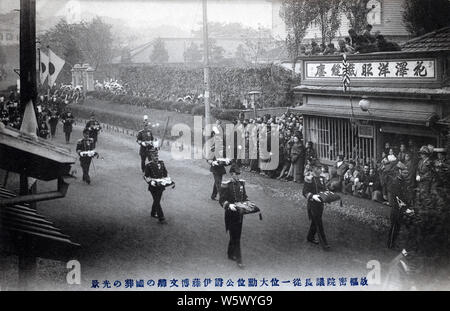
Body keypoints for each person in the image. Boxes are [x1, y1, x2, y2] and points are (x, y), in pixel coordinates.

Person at [219, 164, 248, 268]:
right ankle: (239, 260)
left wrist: (247, 203)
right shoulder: (227, 185)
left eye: (239, 174)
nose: (238, 176)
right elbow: (221, 200)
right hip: (230, 214)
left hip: (239, 214)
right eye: (236, 174)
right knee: (235, 237)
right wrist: (228, 205)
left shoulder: (241, 184)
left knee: (236, 235)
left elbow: (244, 197)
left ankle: (230, 254)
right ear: (232, 174)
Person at [302, 159, 330, 250]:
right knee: (319, 224)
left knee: (315, 221)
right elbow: (305, 192)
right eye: (318, 168)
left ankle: (310, 237)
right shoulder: (309, 178)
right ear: (313, 168)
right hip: (312, 204)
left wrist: (327, 196)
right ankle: (324, 243)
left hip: (320, 203)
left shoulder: (322, 178)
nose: (320, 170)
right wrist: (312, 196)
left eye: (320, 168)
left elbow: (324, 189)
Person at [387, 162, 411, 249]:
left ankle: (393, 243)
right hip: (396, 207)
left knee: (398, 226)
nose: (406, 175)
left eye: (407, 173)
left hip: (401, 207)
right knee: (393, 226)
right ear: (400, 171)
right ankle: (390, 243)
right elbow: (396, 196)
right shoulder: (395, 181)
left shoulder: (404, 182)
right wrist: (402, 204)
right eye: (404, 173)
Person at [144, 151, 169, 224]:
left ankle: (152, 213)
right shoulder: (148, 165)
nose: (156, 157)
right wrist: (151, 182)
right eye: (155, 156)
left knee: (156, 200)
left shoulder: (162, 163)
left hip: (161, 185)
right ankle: (161, 218)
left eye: (157, 156)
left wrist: (167, 179)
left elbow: (165, 173)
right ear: (151, 157)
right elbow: (146, 176)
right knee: (157, 201)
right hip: (153, 186)